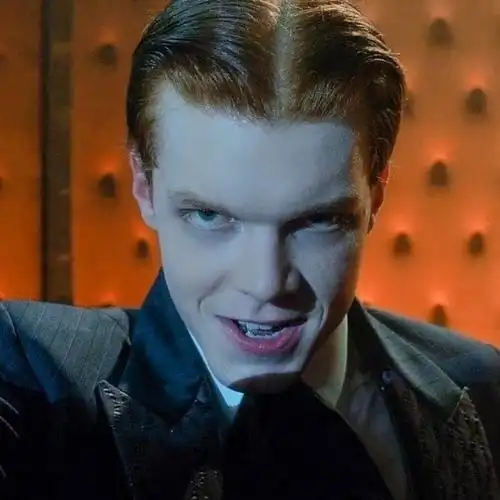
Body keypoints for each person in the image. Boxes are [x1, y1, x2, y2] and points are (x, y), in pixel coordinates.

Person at [1, 0, 500, 498]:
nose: (265, 283)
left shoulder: (482, 384)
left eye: (318, 220)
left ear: (377, 193)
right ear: (144, 186)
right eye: (210, 215)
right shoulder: (28, 367)